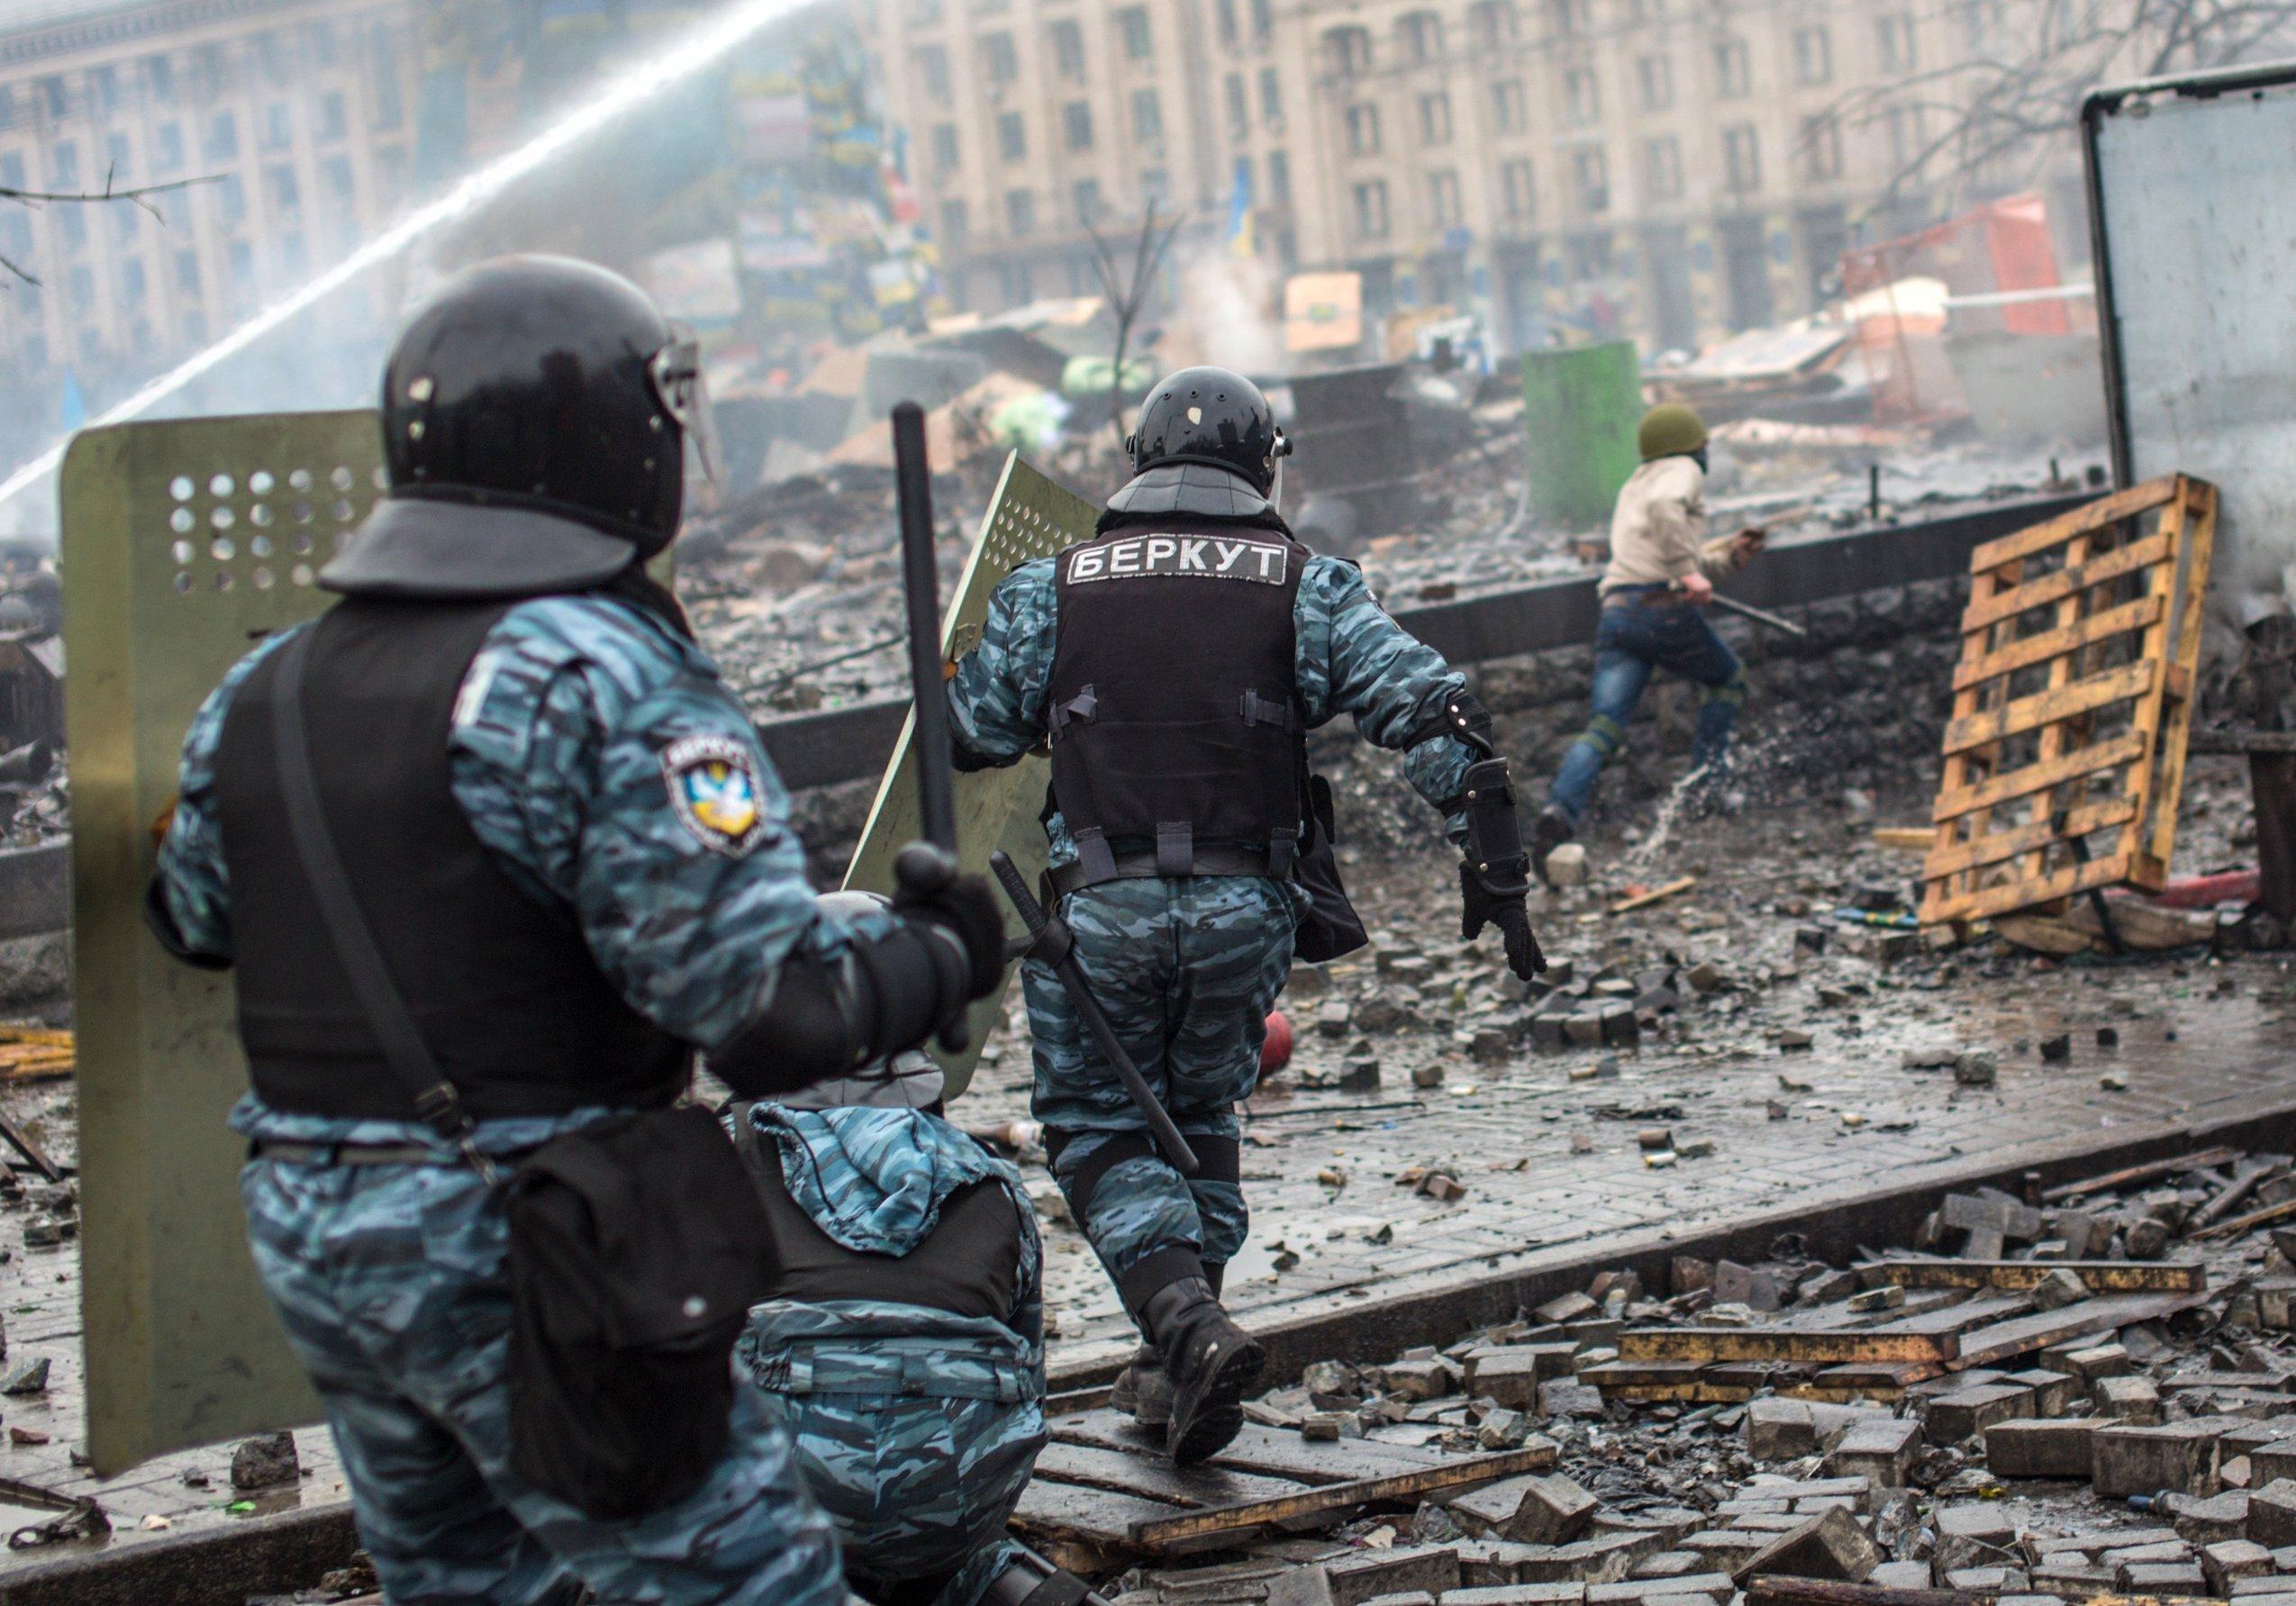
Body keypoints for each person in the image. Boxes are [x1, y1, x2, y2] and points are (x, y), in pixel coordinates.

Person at [146, 254, 1002, 1606]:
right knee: (745, 1579)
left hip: (317, 1230)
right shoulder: (588, 668)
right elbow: (766, 1015)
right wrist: (938, 955)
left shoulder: (265, 680)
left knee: (468, 1584)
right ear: (610, 435)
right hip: (536, 1236)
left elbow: (191, 918)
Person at [947, 367, 1548, 1466]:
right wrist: (1493, 866)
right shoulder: (1301, 581)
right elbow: (1425, 705)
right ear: (1263, 464)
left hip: (1101, 907)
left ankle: (1184, 1322)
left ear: (1136, 461)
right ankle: (1176, 1361)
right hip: (1245, 905)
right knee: (1201, 1109)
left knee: (1095, 1125)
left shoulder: (1055, 585)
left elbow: (975, 731)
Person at [732, 1014, 1087, 1606]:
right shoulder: (997, 1181)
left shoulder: (721, 1158)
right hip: (955, 1503)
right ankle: (997, 1582)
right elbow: (1030, 1374)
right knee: (957, 1546)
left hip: (783, 1510)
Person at [1531, 403, 1764, 856]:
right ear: (1691, 447)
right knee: (1727, 678)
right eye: (1704, 447)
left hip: (1618, 614)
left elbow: (1668, 553)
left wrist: (1731, 557)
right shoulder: (1680, 472)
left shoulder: (1634, 485)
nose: (1705, 455)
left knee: (1603, 728)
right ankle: (1707, 787)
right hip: (1662, 609)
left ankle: (1559, 810)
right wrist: (1689, 572)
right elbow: (1670, 531)